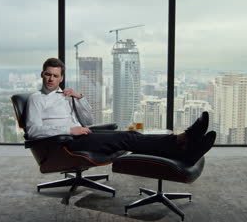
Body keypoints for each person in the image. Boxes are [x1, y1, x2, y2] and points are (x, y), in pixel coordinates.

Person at [26, 58, 216, 164]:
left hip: (81, 135)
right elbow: (33, 131)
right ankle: (182, 144)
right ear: (42, 74)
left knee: (130, 135)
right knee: (128, 138)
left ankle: (183, 142)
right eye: (48, 74)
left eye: (55, 75)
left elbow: (88, 119)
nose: (51, 79)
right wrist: (69, 130)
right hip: (65, 144)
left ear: (61, 78)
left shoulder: (64, 96)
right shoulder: (36, 99)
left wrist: (79, 98)